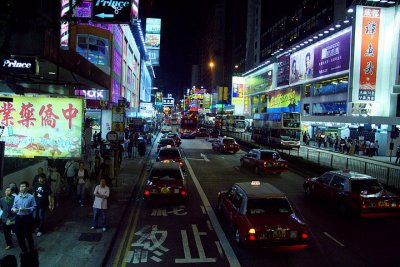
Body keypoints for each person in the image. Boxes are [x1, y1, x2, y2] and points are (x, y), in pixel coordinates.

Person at [11, 181, 36, 253]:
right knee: (19, 235)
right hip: (18, 218)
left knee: (27, 234)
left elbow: (34, 207)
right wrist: (13, 210)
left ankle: (32, 250)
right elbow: (13, 206)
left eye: (23, 186)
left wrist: (26, 210)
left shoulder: (30, 197)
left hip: (27, 218)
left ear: (27, 188)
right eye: (20, 186)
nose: (21, 188)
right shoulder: (17, 197)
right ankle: (24, 250)